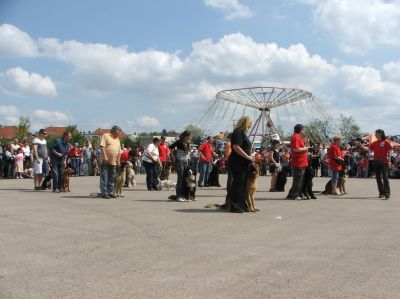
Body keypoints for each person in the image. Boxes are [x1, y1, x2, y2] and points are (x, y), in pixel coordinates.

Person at [228, 116, 254, 213]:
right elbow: (236, 147)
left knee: (242, 184)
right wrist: (248, 157)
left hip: (243, 163)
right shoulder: (238, 132)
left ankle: (242, 204)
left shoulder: (242, 133)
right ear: (246, 123)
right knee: (238, 183)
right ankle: (235, 205)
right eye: (250, 124)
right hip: (237, 162)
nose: (251, 126)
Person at [358, 129, 393, 199]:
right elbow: (367, 149)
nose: (375, 134)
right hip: (376, 162)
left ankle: (387, 193)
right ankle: (381, 193)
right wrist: (360, 145)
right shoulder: (375, 142)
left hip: (384, 162)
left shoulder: (386, 142)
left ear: (380, 133)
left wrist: (389, 161)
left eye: (376, 133)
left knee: (385, 178)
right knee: (378, 178)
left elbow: (389, 152)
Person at [99, 126, 122, 198]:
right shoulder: (106, 135)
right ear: (114, 131)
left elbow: (119, 151)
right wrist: (105, 156)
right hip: (105, 160)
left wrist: (118, 160)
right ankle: (104, 193)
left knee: (112, 177)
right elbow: (102, 146)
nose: (119, 133)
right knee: (104, 176)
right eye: (118, 131)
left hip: (114, 161)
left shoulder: (118, 139)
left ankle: (111, 192)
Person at [169, 131, 192, 201]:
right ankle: (179, 196)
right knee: (180, 179)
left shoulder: (188, 143)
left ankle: (184, 195)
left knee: (185, 180)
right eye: (189, 136)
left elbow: (187, 153)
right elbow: (170, 147)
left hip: (186, 162)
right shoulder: (179, 142)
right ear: (185, 136)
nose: (190, 137)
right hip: (180, 162)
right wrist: (173, 157)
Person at [288, 124, 309, 200]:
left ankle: (299, 193)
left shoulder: (298, 137)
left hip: (302, 161)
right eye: (303, 129)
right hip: (298, 161)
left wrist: (303, 142)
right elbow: (295, 149)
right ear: (301, 129)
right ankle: (294, 194)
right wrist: (306, 148)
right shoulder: (295, 137)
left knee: (301, 179)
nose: (304, 131)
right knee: (297, 179)